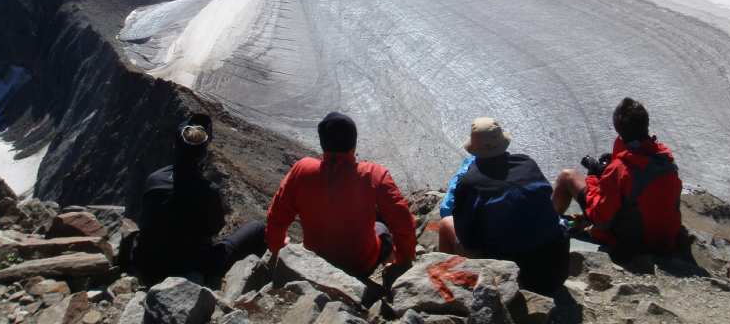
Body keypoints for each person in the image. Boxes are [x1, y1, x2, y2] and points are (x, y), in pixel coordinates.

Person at [265, 112, 416, 280]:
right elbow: (403, 220)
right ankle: (389, 265)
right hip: (361, 265)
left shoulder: (302, 170)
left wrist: (278, 247)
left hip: (317, 261)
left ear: (322, 143)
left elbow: (276, 215)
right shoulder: (373, 174)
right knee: (382, 227)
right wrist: (404, 259)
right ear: (354, 144)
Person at [132, 113, 267, 285]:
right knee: (257, 228)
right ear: (203, 155)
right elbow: (215, 228)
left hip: (148, 265)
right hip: (189, 266)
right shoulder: (208, 191)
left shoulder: (155, 179)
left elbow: (146, 220)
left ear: (175, 146)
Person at [438, 117, 569, 294]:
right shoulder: (526, 163)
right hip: (555, 268)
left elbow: (468, 239)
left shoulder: (471, 182)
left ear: (474, 149)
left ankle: (451, 288)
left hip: (511, 275)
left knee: (446, 223)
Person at [552, 97, 682, 257]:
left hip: (634, 242)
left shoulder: (620, 169)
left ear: (618, 128)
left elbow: (600, 217)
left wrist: (593, 176)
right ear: (645, 124)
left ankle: (548, 227)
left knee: (567, 176)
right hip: (665, 240)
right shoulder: (665, 160)